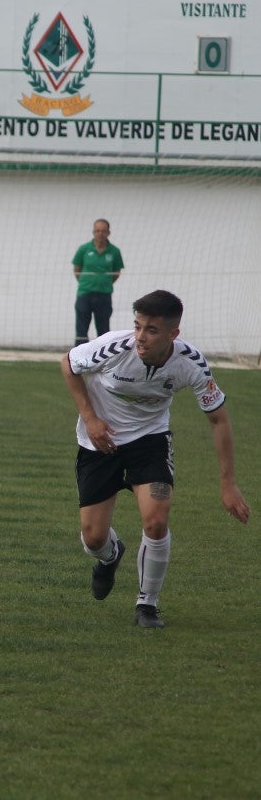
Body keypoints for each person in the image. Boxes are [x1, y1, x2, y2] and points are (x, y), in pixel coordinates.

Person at [61, 289, 250, 628]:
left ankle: (147, 606)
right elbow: (69, 364)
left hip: (150, 442)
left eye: (151, 330)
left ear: (173, 334)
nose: (140, 337)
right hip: (100, 444)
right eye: (138, 326)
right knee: (93, 538)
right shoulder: (116, 347)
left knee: (156, 520)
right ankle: (110, 556)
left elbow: (219, 418)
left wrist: (228, 485)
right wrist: (90, 419)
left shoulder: (190, 362)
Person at [72, 218, 124, 346]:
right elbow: (77, 269)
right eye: (97, 231)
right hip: (85, 293)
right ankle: (79, 359)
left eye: (103, 231)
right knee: (81, 328)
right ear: (93, 232)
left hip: (104, 295)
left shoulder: (114, 251)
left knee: (103, 329)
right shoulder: (84, 249)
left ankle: (102, 359)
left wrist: (104, 283)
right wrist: (88, 283)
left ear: (108, 233)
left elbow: (116, 272)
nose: (100, 233)